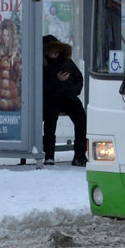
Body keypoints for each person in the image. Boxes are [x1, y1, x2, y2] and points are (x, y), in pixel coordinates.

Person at [42, 34, 87, 167]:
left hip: (69, 97)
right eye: (51, 50)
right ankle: (49, 155)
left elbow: (79, 78)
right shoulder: (41, 65)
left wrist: (73, 90)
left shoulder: (66, 61)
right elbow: (40, 86)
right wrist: (57, 80)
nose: (55, 53)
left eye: (57, 50)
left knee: (81, 119)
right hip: (51, 98)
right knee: (50, 121)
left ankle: (80, 155)